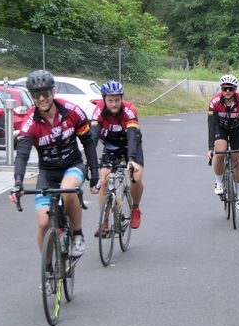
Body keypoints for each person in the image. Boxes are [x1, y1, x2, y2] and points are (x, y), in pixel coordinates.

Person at [9, 69, 99, 257]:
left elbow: (88, 142)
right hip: (48, 173)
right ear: (31, 97)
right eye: (36, 95)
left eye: (46, 93)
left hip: (73, 166)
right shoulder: (30, 123)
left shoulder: (72, 112)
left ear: (53, 92)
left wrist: (95, 173)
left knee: (68, 189)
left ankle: (77, 234)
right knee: (43, 223)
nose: (42, 98)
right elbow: (23, 154)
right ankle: (49, 271)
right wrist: (18, 182)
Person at [90, 80, 145, 235]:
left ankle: (135, 208)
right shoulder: (98, 111)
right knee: (104, 180)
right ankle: (105, 222)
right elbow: (93, 137)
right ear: (104, 99)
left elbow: (132, 137)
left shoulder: (129, 110)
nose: (114, 104)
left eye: (117, 100)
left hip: (130, 144)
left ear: (121, 99)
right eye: (110, 100)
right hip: (111, 146)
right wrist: (91, 161)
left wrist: (132, 159)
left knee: (137, 176)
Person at [207, 74, 239, 211]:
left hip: (237, 130)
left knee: (237, 162)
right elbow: (211, 124)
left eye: (230, 88)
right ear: (221, 88)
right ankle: (219, 181)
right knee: (220, 154)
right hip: (221, 129)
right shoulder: (214, 102)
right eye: (225, 88)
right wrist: (210, 147)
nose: (227, 91)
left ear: (235, 89)